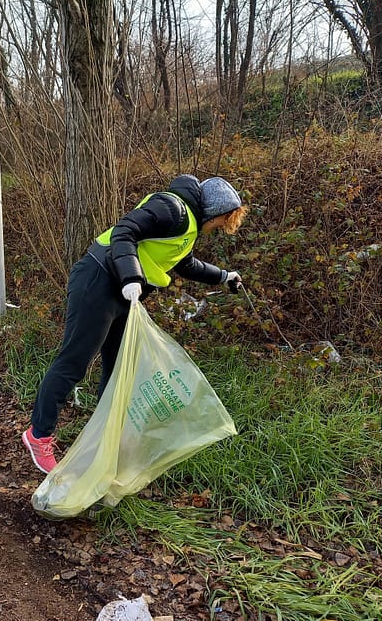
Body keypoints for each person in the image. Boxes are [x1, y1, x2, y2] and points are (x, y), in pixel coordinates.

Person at [22, 175, 249, 474]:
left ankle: (104, 440)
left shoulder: (188, 227)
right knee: (74, 363)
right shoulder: (172, 208)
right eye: (221, 221)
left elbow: (184, 263)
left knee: (118, 370)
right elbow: (125, 231)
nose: (219, 227)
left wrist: (223, 276)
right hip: (99, 280)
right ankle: (39, 435)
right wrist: (131, 276)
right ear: (213, 210)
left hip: (123, 293)